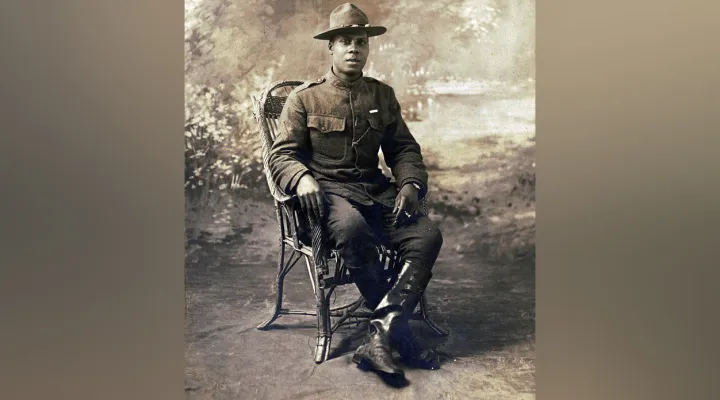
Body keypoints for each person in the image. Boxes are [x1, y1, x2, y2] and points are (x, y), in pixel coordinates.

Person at [267, 3, 443, 378]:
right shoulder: (305, 99)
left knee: (427, 235)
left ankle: (378, 339)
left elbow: (404, 149)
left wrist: (410, 183)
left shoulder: (382, 96)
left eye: (360, 42)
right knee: (351, 228)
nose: (353, 49)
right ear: (330, 47)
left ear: (368, 47)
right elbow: (280, 156)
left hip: (374, 194)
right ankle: (402, 339)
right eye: (345, 41)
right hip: (327, 198)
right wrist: (302, 178)